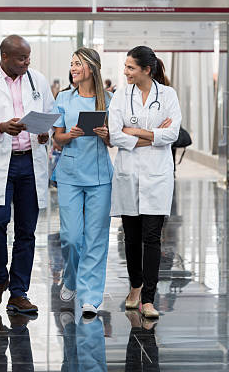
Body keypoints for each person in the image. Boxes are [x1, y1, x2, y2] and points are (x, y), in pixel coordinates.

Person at [0, 35, 55, 314]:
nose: (27, 62)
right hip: (0, 164)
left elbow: (52, 116)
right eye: (21, 58)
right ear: (4, 57)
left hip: (30, 163)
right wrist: (1, 127)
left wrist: (45, 133)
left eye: (29, 57)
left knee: (26, 231)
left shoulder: (37, 80)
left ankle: (19, 292)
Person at [108, 46, 182, 319]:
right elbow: (115, 135)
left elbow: (172, 133)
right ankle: (135, 287)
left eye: (130, 68)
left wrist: (136, 131)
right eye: (125, 67)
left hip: (157, 175)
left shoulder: (168, 95)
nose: (125, 72)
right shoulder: (120, 95)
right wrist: (152, 135)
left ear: (146, 70)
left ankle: (148, 298)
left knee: (152, 237)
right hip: (129, 174)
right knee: (132, 237)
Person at [51, 48, 113, 316]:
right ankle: (71, 278)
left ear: (91, 68)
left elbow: (114, 140)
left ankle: (91, 297)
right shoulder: (64, 98)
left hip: (100, 176)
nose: (73, 68)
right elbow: (57, 138)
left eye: (78, 64)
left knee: (96, 238)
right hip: (70, 175)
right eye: (72, 63)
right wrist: (71, 134)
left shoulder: (109, 100)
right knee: (72, 237)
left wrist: (106, 134)